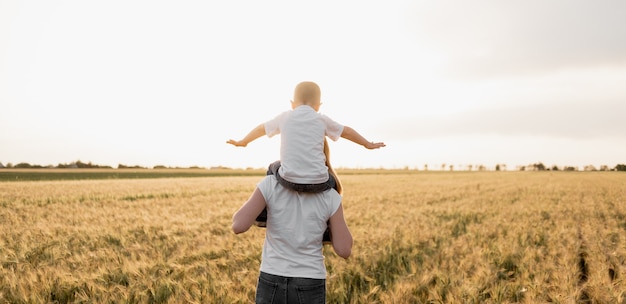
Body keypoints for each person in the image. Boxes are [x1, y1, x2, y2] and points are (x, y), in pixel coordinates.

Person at [227, 81, 385, 227]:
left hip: (287, 180)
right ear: (318, 105)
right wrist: (367, 144)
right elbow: (347, 132)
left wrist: (244, 141)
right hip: (319, 183)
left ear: (292, 103)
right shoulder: (321, 119)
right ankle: (329, 227)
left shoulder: (285, 117)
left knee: (273, 166)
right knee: (334, 183)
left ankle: (263, 214)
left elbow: (262, 128)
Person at [232, 140, 353, 303]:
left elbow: (238, 225)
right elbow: (344, 250)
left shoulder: (270, 184)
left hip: (272, 276)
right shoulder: (330, 196)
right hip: (310, 279)